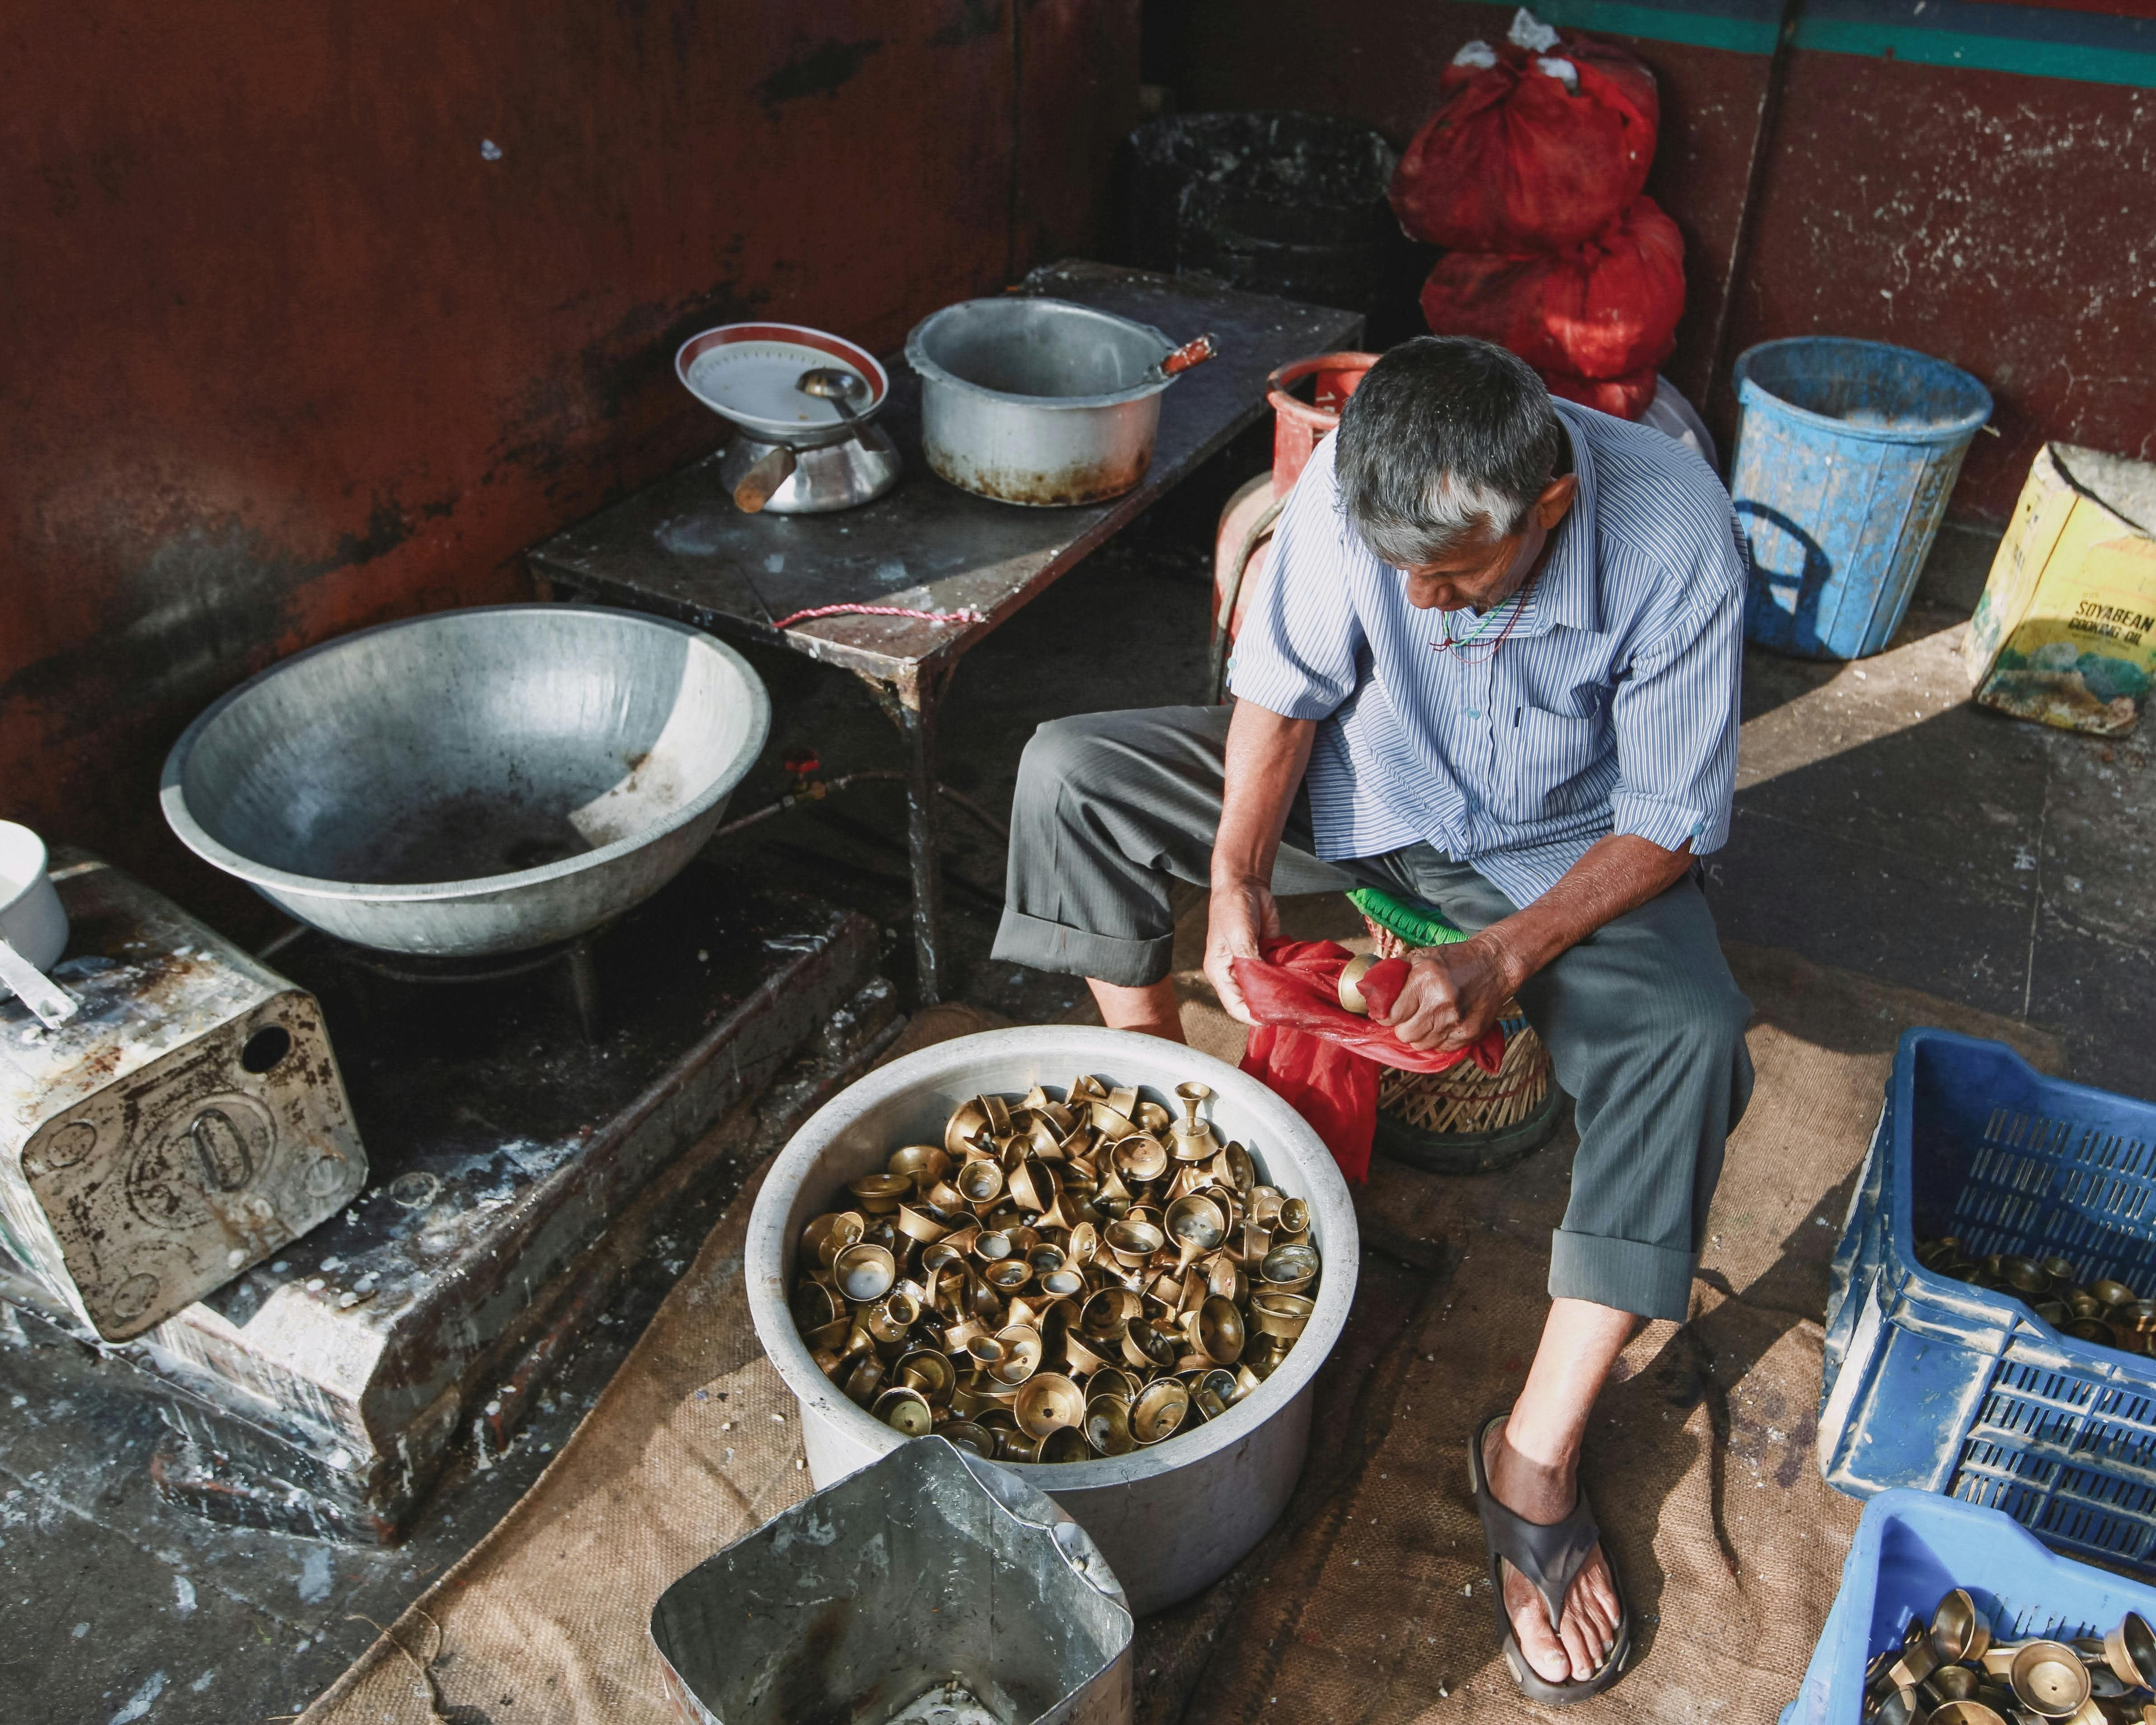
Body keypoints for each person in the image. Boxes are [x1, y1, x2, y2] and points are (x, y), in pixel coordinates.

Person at [991, 336, 1754, 1703]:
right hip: (1367, 801)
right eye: (1401, 569)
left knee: (1691, 1040)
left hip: (1551, 859)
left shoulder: (1674, 534)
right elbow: (1283, 695)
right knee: (1070, 775)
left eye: (1456, 577)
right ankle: (1175, 1133)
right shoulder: (1365, 475)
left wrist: (1506, 958)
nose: (1421, 597)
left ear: (1551, 512)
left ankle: (1531, 1454)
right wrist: (1232, 884)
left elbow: (1670, 820)